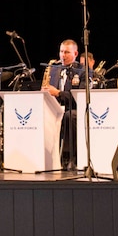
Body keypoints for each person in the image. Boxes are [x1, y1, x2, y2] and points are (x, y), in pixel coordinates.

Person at [41, 39, 88, 168]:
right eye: (61, 52)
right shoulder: (53, 69)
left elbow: (80, 97)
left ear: (76, 54)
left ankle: (71, 157)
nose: (63, 55)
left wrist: (58, 93)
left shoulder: (83, 71)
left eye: (67, 52)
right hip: (55, 108)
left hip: (74, 109)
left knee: (69, 116)